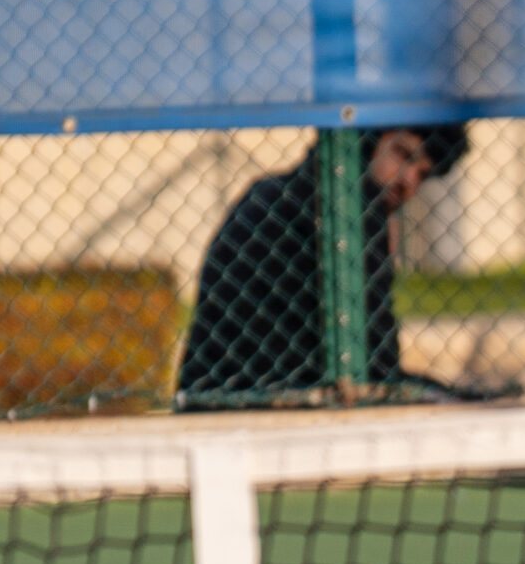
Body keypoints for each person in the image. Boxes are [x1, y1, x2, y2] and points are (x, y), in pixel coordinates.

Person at [177, 123, 474, 406]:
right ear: (370, 140)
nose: (407, 181)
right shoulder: (351, 215)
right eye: (403, 155)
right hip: (271, 399)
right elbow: (380, 368)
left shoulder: (269, 191)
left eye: (422, 175)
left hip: (209, 392)